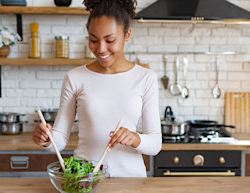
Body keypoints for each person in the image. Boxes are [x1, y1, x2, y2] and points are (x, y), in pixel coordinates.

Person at [32, 0, 162, 177]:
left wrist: (135, 138)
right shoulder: (75, 78)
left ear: (127, 34)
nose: (100, 49)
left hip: (131, 181)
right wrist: (47, 139)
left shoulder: (145, 78)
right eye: (93, 40)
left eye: (110, 40)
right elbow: (60, 138)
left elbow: (155, 144)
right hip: (86, 180)